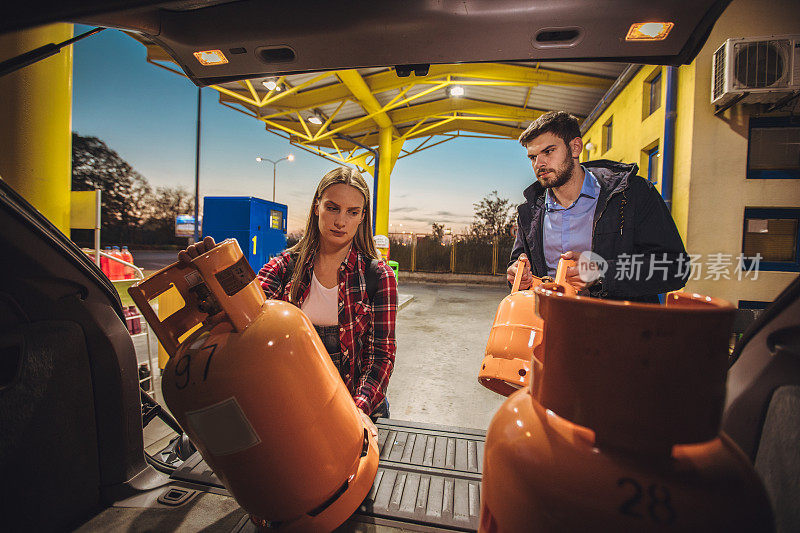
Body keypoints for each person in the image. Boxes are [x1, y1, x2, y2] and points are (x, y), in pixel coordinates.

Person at [180, 166, 396, 437]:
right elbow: (242, 318)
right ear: (317, 206)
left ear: (362, 217)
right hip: (293, 409)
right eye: (332, 208)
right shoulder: (284, 267)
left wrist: (357, 411)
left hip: (356, 408)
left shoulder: (377, 276)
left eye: (352, 212)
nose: (341, 221)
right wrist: (208, 278)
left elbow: (381, 356)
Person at [507, 111, 688, 303]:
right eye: (532, 157)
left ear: (575, 147)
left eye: (548, 151)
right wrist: (517, 274)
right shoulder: (529, 212)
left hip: (620, 327)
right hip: (553, 323)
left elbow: (675, 267)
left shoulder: (633, 193)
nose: (539, 164)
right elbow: (518, 264)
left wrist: (602, 272)